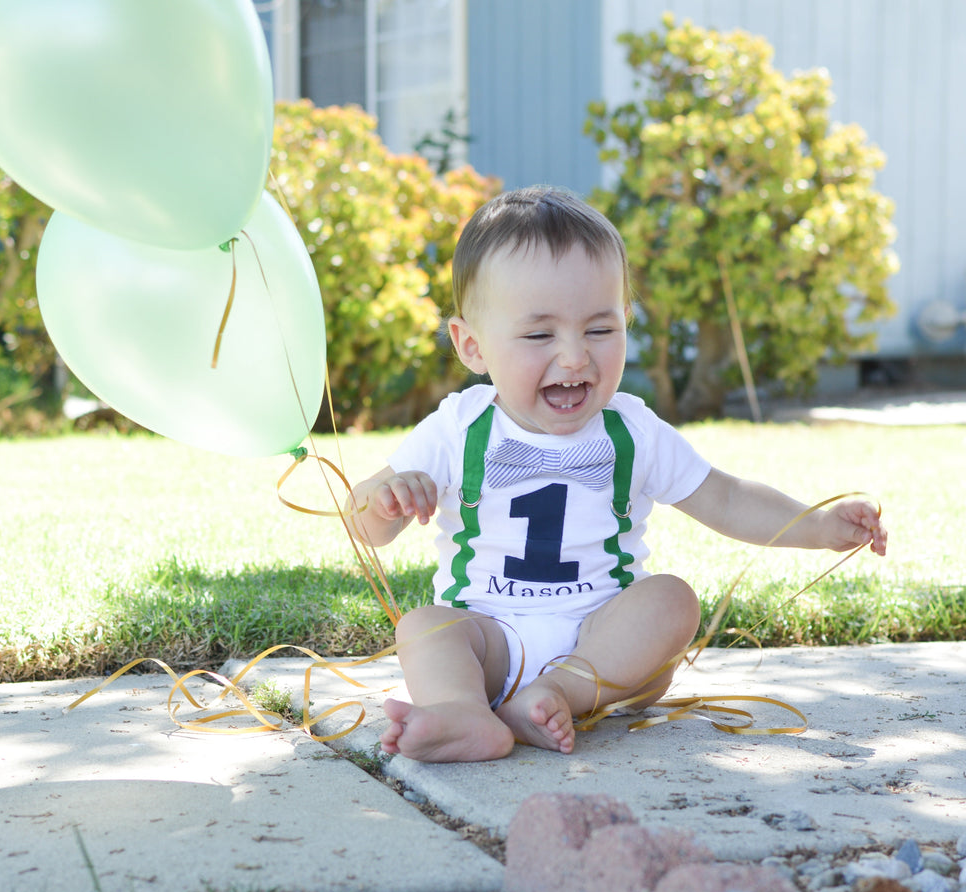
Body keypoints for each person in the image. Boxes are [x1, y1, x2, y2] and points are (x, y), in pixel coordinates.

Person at [346, 186, 888, 764]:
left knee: (672, 601)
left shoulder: (633, 431)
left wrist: (818, 525)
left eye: (600, 330)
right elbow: (363, 527)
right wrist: (383, 500)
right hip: (488, 642)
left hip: (603, 648)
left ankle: (556, 695)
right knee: (425, 627)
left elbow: (726, 497)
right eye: (540, 335)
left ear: (625, 323)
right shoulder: (456, 428)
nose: (575, 357)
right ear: (472, 346)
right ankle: (463, 712)